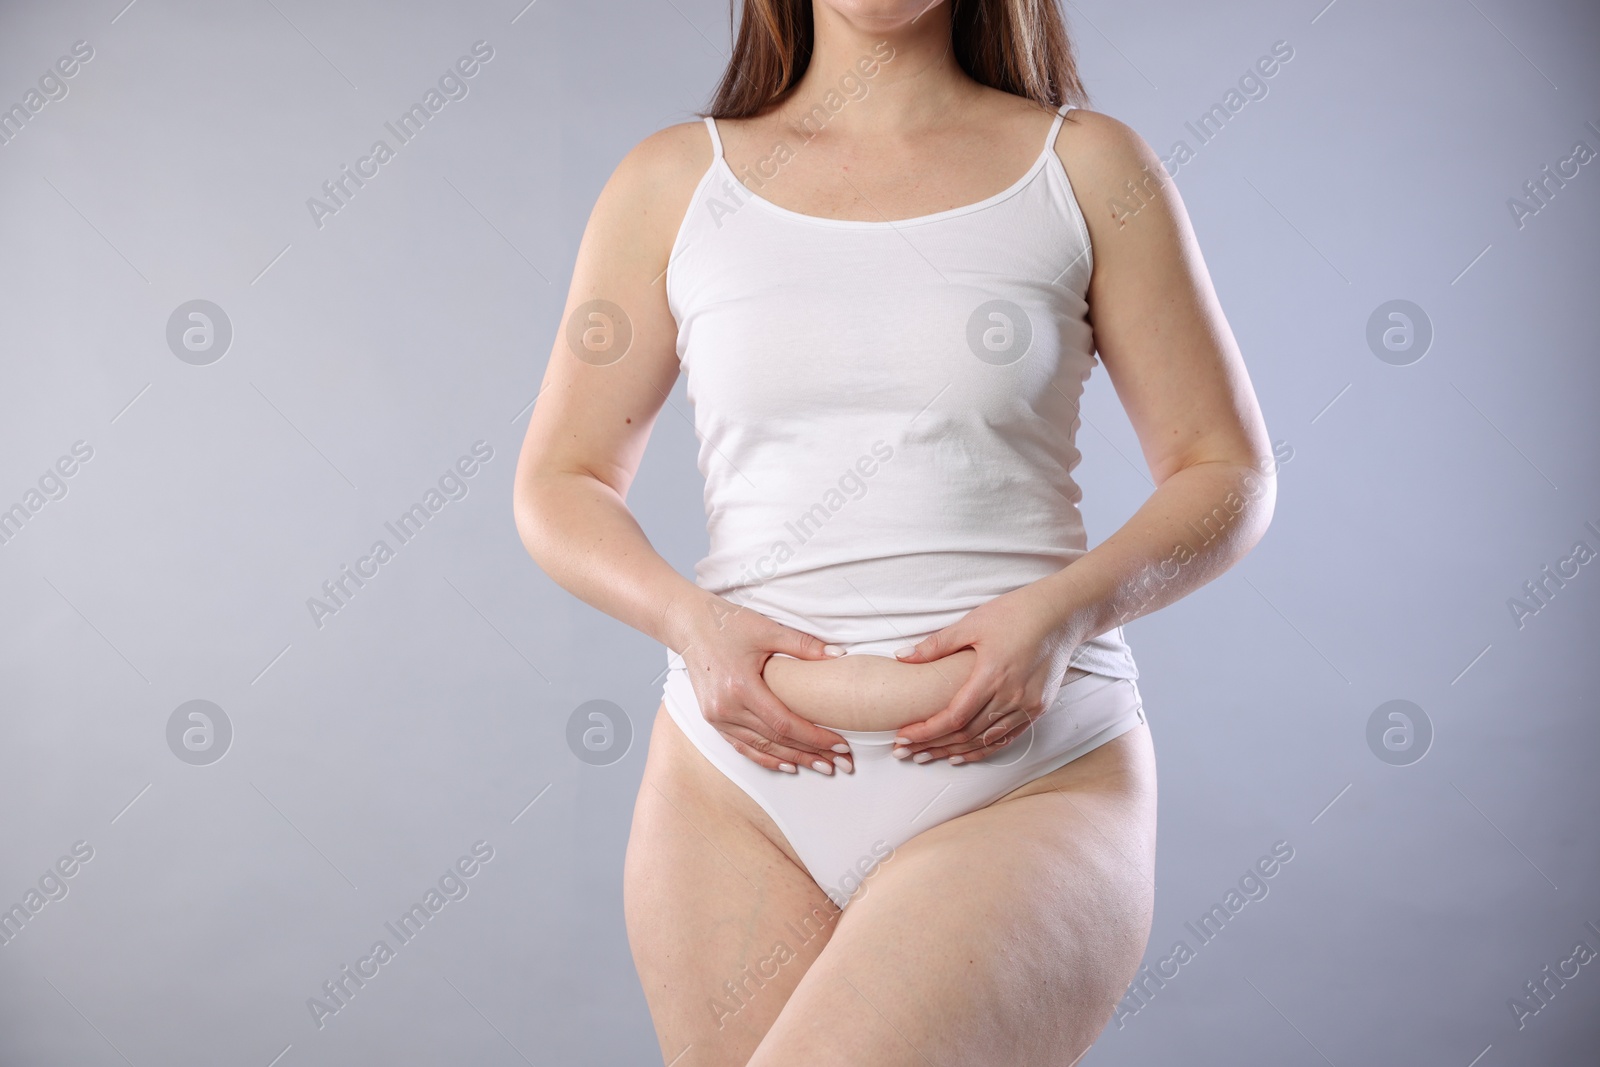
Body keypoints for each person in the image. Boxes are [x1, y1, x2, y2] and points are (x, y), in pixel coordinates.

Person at [512, 1, 1276, 1063]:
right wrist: (689, 624)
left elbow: (1224, 472)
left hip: (1028, 779)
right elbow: (561, 478)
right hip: (732, 793)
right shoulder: (673, 182)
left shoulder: (1089, 167)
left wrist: (1065, 612)